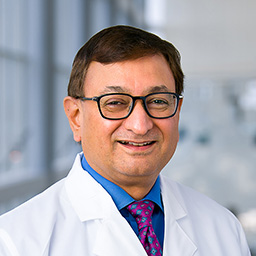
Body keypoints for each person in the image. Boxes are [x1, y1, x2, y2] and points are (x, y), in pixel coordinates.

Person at [0, 25, 251, 256]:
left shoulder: (223, 228)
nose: (140, 126)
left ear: (177, 110)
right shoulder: (17, 241)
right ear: (76, 118)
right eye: (115, 103)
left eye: (158, 101)